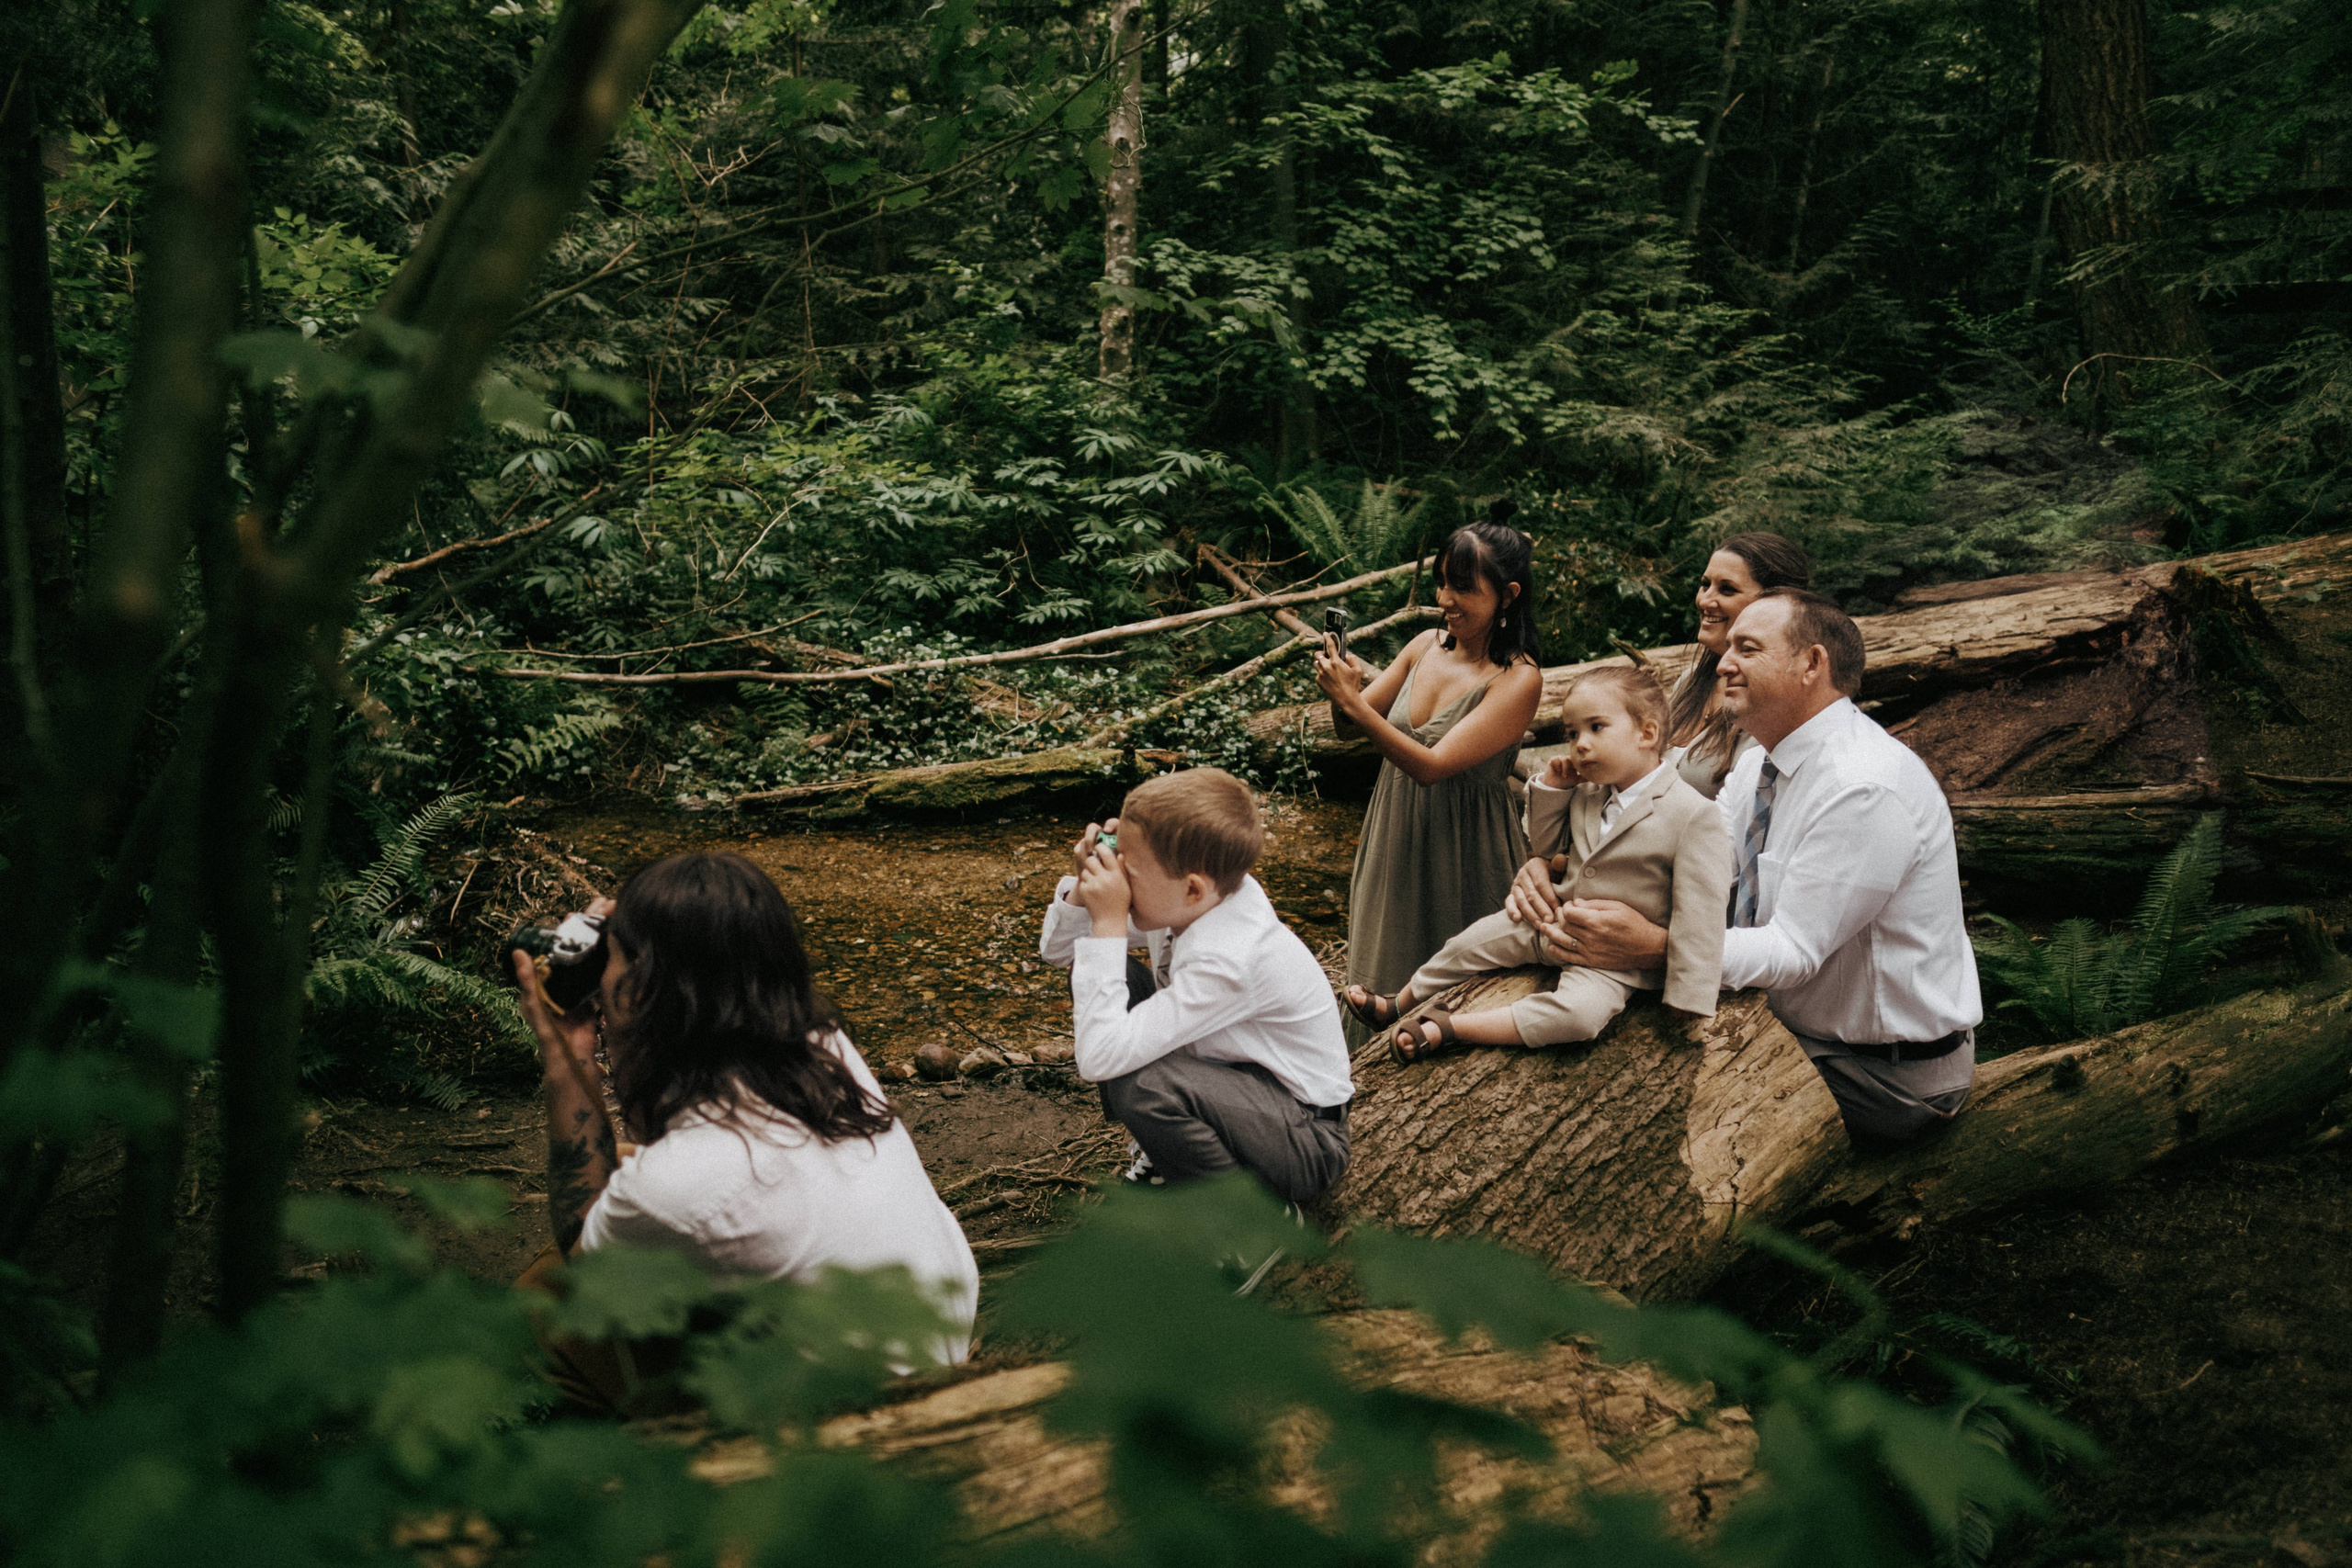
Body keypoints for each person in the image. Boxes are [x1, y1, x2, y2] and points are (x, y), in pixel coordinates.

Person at [512, 852, 978, 1412]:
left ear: (639, 989)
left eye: (610, 957)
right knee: (632, 1165)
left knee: (545, 1300)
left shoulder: (690, 1177)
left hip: (866, 1421)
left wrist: (568, 1055)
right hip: (930, 1349)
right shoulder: (821, 1045)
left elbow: (582, 1247)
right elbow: (656, 1135)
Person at [1521, 589, 1983, 1150]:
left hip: (1881, 1073)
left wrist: (1656, 948)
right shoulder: (1760, 761)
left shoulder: (1863, 785)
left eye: (1747, 647)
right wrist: (1550, 868)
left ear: (1812, 663)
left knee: (1628, 1118)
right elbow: (1677, 860)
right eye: (1728, 646)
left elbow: (1794, 951)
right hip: (1791, 1027)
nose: (1723, 662)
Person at [1355, 666, 1732, 1061]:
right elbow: (1547, 848)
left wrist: (1686, 1000)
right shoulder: (1587, 792)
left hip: (1610, 958)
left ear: (1648, 734)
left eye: (1596, 728)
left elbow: (1701, 916)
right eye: (1572, 734)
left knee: (1580, 1017)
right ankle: (1399, 1003)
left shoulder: (1693, 814)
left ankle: (1452, 1028)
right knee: (1465, 944)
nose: (1580, 745)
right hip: (1548, 921)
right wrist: (1552, 791)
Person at [1037, 766, 1354, 1203]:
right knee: (1098, 969)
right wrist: (1083, 887)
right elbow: (1061, 953)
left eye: (1130, 869)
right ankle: (1169, 1155)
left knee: (1142, 1085)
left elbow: (1098, 1059)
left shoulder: (1230, 957)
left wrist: (1109, 919)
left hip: (1304, 1138)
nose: (1119, 880)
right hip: (1239, 1092)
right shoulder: (1198, 896)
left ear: (1192, 889)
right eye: (1117, 854)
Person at [1317, 513, 1546, 1022]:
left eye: (1462, 586)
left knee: (1455, 990)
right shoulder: (1423, 645)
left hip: (1466, 850)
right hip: (1393, 834)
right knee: (1378, 972)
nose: (1444, 598)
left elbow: (1432, 766)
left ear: (1506, 596)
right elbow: (1348, 727)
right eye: (1442, 582)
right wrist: (1342, 688)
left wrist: (1353, 704)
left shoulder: (1518, 679)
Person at [1664, 532, 1815, 800]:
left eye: (1727, 589)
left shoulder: (1780, 702)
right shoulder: (1688, 683)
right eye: (1705, 584)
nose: (1705, 600)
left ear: (1772, 603)